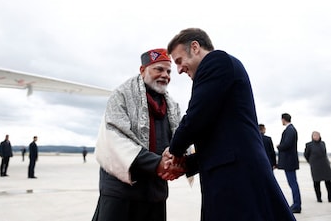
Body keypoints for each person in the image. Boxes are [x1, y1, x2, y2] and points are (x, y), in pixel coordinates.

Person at [162, 28, 296, 221]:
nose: (179, 69)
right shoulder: (216, 73)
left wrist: (174, 151)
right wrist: (186, 164)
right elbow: (218, 139)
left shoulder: (217, 62)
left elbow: (196, 116)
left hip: (238, 178)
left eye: (179, 61)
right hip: (232, 176)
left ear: (195, 47)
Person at [92, 48, 183, 221]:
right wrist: (157, 163)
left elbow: (179, 139)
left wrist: (178, 162)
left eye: (168, 71)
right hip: (122, 193)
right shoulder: (121, 96)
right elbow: (115, 138)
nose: (165, 75)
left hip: (155, 193)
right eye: (159, 69)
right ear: (143, 70)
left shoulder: (172, 106)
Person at [277, 113, 302, 213]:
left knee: (293, 183)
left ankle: (297, 205)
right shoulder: (290, 129)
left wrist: (279, 146)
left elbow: (287, 144)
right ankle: (296, 204)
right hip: (290, 161)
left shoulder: (290, 130)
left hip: (289, 161)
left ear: (283, 119)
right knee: (292, 183)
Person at [304, 131, 331, 202]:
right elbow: (306, 155)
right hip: (315, 165)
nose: (316, 136)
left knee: (328, 182)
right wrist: (310, 161)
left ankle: (330, 197)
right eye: (314, 135)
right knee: (316, 182)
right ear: (312, 136)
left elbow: (325, 153)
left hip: (325, 164)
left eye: (317, 135)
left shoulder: (323, 143)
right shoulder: (309, 145)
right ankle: (319, 198)